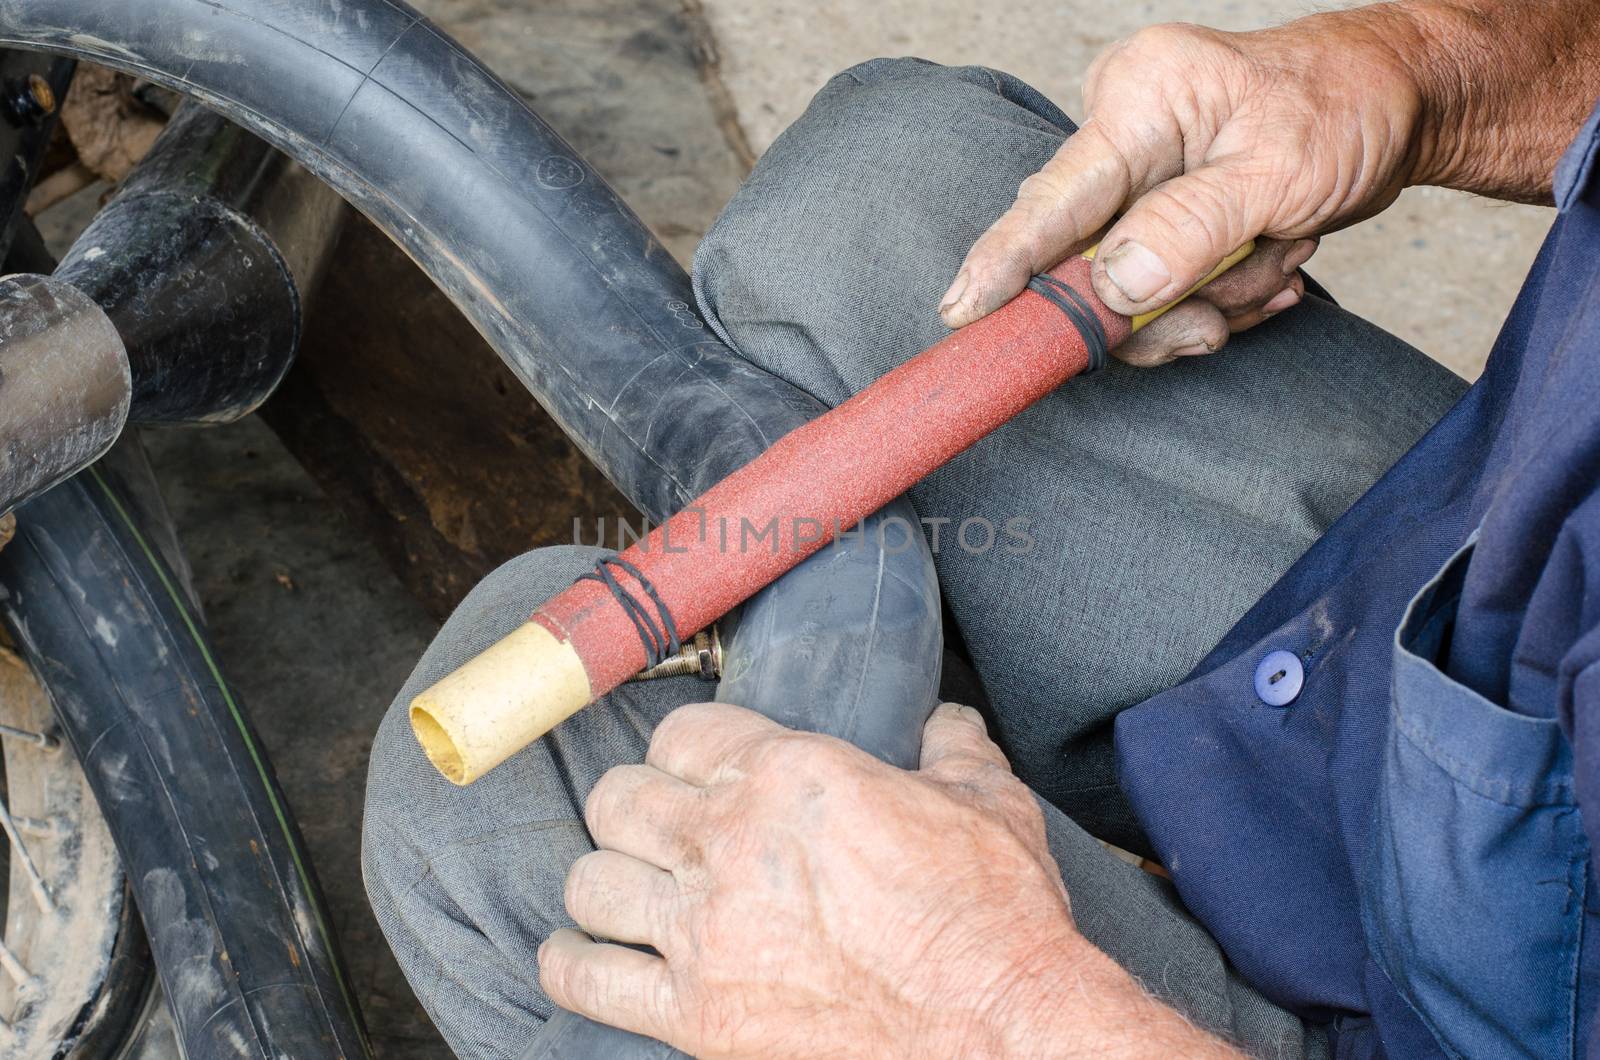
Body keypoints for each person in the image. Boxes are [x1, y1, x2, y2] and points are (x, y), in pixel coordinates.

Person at [362, 0, 1600, 1055]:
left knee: (498, 794)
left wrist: (995, 1005)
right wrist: (1430, 78)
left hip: (1453, 1006)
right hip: (1465, 589)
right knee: (873, 194)